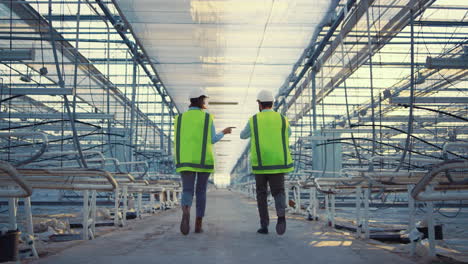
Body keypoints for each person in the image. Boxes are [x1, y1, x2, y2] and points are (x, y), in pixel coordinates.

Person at [174, 88, 233, 235]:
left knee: (187, 190)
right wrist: (223, 132)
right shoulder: (207, 118)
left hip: (185, 160)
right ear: (201, 101)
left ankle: (186, 209)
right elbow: (212, 139)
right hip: (203, 160)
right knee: (201, 191)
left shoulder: (179, 118)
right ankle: (198, 224)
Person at [240, 89, 293, 235]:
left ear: (259, 104)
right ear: (272, 103)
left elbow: (242, 136)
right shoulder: (282, 119)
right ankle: (281, 217)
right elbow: (289, 133)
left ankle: (264, 225)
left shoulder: (254, 120)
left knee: (261, 195)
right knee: (279, 192)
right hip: (278, 162)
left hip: (261, 164)